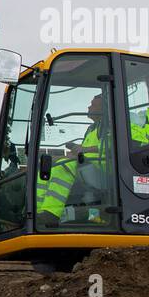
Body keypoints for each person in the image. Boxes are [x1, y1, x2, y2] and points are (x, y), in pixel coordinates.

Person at [36, 93, 112, 228]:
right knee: (47, 167)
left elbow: (110, 147)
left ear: (103, 109)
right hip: (87, 164)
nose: (89, 107)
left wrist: (83, 150)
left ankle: (52, 212)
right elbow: (78, 153)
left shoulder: (108, 125)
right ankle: (38, 211)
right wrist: (56, 158)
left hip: (104, 169)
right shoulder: (91, 129)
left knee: (63, 166)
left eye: (93, 105)